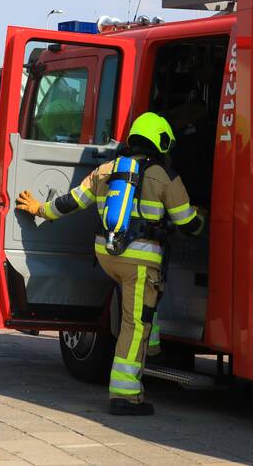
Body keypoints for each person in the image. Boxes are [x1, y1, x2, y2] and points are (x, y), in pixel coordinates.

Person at [15, 112, 204, 416]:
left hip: (107, 256)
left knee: (139, 308)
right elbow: (187, 223)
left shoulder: (107, 170)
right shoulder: (166, 177)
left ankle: (152, 350)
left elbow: (72, 201)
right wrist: (206, 220)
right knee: (134, 323)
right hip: (140, 262)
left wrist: (40, 208)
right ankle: (125, 395)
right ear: (162, 142)